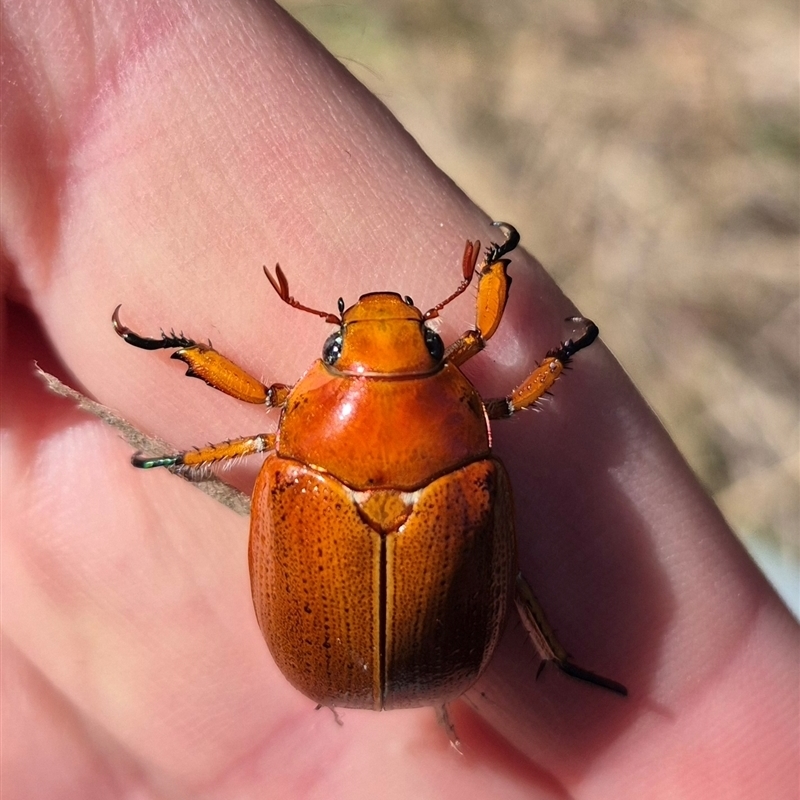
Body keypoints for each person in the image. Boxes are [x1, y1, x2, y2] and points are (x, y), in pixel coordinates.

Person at [3, 2, 797, 797]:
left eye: (340, 347)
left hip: (332, 654)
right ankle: (555, 658)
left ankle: (553, 658)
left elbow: (253, 429)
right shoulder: (475, 439)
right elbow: (504, 381)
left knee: (259, 445)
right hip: (414, 654)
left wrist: (183, 390)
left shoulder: (289, 444)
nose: (380, 332)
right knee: (518, 583)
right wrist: (510, 294)